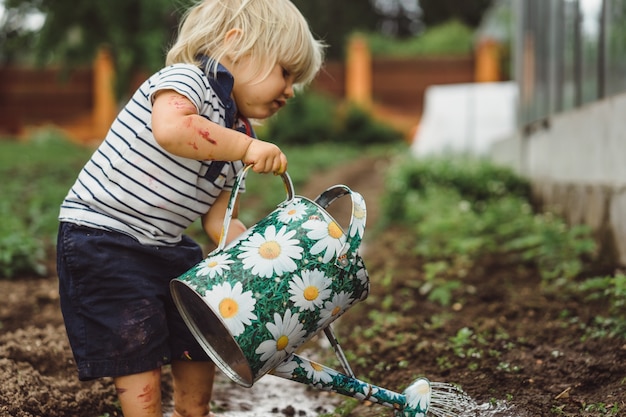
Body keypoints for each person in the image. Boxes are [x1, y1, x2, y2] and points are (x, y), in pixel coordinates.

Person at [56, 1, 325, 416]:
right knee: (136, 345)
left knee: (200, 333)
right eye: (286, 72)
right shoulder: (186, 82)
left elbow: (219, 218)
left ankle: (192, 411)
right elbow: (173, 129)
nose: (290, 90)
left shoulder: (237, 135)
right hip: (104, 238)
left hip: (166, 246)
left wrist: (260, 258)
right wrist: (248, 147)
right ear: (234, 46)